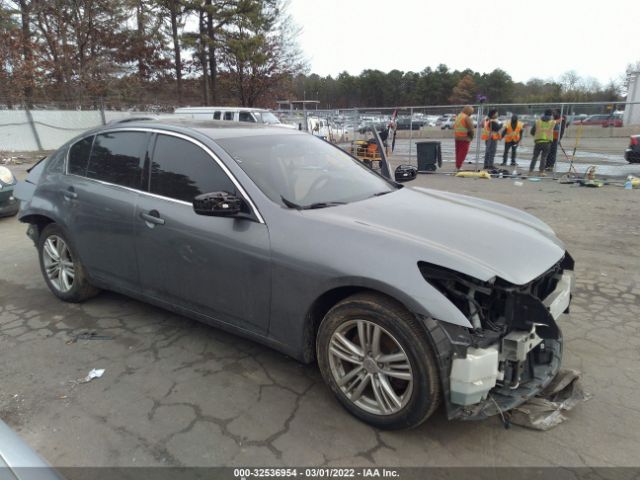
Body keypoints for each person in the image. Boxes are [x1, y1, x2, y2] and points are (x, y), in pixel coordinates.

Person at [529, 109, 556, 176]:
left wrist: (537, 135)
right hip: (547, 142)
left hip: (538, 142)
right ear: (551, 115)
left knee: (535, 157)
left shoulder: (538, 122)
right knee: (543, 157)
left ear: (544, 113)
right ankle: (541, 172)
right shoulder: (552, 122)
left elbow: (532, 132)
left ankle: (530, 171)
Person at [453, 105, 475, 170]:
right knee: (462, 153)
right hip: (465, 138)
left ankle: (457, 166)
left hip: (457, 137)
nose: (471, 114)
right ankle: (458, 167)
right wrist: (471, 137)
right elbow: (471, 129)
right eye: (471, 112)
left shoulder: (459, 116)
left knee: (458, 152)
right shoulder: (466, 117)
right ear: (468, 111)